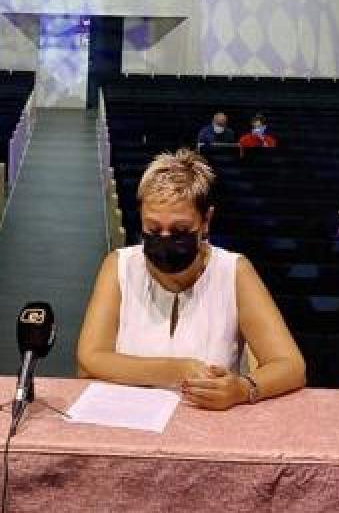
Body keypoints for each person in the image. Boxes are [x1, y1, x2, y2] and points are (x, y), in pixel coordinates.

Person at [77, 149, 305, 410]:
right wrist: (177, 370)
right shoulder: (118, 265)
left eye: (180, 230)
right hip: (126, 420)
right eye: (153, 229)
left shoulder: (234, 271)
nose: (164, 239)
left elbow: (291, 366)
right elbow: (90, 357)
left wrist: (243, 388)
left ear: (206, 220)